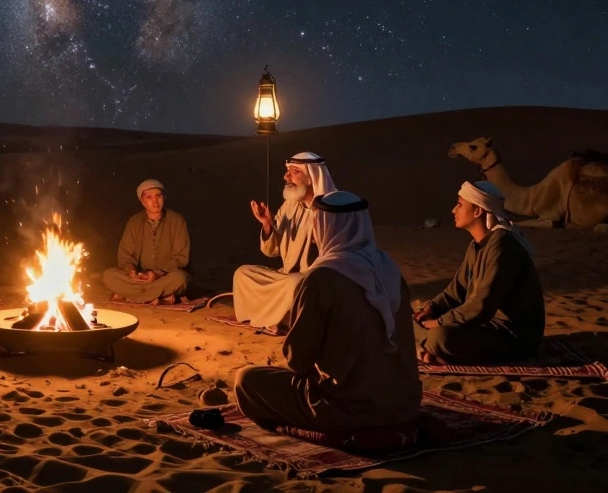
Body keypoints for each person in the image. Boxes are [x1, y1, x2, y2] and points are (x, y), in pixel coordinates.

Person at [234, 191, 421, 433]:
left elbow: (297, 359)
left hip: (349, 408)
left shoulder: (321, 279)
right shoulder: (390, 270)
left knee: (247, 380)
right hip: (404, 406)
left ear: (325, 227)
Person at [413, 181, 545, 364]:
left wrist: (438, 322)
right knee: (412, 316)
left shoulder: (503, 246)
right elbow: (457, 291)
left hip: (513, 335)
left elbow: (481, 306)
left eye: (460, 204)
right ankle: (428, 351)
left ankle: (426, 349)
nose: (453, 210)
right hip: (485, 326)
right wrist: (432, 309)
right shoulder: (477, 245)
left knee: (441, 336)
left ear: (477, 211)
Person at [231, 152, 337, 329]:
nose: (286, 176)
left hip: (313, 278)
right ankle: (272, 317)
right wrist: (267, 224)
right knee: (243, 273)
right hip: (286, 275)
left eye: (294, 172)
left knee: (295, 284)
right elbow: (272, 251)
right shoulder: (290, 204)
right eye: (287, 171)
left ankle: (281, 319)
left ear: (312, 176)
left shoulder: (331, 209)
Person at [100, 179, 191, 304]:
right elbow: (125, 255)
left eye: (158, 196)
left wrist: (157, 273)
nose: (155, 201)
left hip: (165, 276)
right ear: (142, 201)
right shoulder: (134, 222)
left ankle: (132, 296)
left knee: (180, 279)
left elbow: (181, 257)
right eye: (149, 197)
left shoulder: (177, 220)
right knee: (108, 275)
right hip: (140, 278)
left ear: (164, 197)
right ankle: (158, 297)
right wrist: (131, 271)